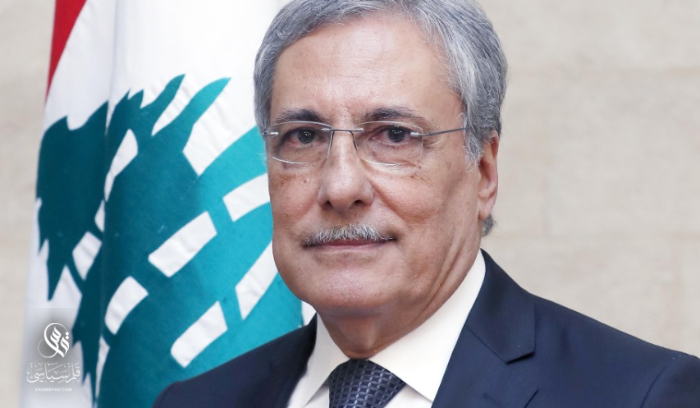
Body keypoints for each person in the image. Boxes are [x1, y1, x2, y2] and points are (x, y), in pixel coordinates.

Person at [153, 0, 700, 407]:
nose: (340, 187)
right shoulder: (194, 403)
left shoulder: (642, 395)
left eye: (393, 136)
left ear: (483, 173)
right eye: (304, 137)